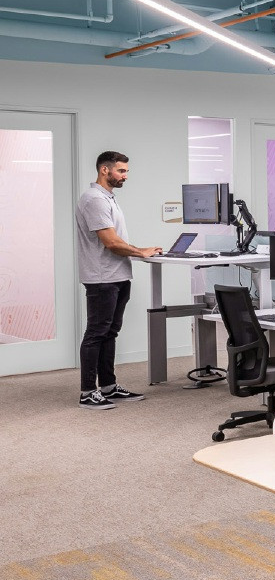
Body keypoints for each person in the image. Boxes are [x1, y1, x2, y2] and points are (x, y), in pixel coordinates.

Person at [75, 151, 159, 409]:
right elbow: (111, 243)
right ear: (104, 170)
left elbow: (117, 239)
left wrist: (140, 249)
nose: (125, 176)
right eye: (121, 171)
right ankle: (88, 392)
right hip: (102, 278)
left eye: (126, 171)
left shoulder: (108, 198)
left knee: (110, 332)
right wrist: (140, 252)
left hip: (118, 275)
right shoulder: (94, 200)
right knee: (96, 333)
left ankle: (109, 386)